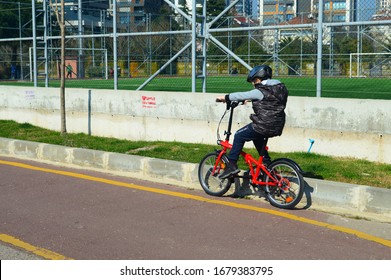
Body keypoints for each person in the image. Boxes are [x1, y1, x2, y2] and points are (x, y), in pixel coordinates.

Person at [216, 65, 289, 179]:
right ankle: (266, 163)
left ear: (258, 79)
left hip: (264, 124)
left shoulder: (259, 91)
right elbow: (270, 99)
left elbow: (242, 94)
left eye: (254, 81)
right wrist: (250, 99)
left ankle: (231, 165)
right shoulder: (280, 88)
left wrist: (225, 97)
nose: (253, 84)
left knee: (239, 135)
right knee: (257, 136)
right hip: (277, 125)